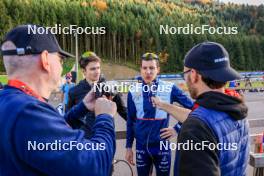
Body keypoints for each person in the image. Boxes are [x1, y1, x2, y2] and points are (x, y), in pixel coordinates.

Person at [0, 24, 117, 175]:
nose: (63, 68)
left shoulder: (10, 101)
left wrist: (82, 108)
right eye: (60, 59)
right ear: (45, 60)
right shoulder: (28, 112)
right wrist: (105, 117)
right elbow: (94, 165)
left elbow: (49, 131)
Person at [152, 42, 249, 176]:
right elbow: (202, 117)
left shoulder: (196, 128)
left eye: (184, 74)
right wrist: (163, 105)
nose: (185, 79)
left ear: (193, 74)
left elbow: (199, 121)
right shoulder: (238, 110)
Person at [125, 52, 193, 176]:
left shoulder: (169, 88)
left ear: (158, 70)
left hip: (162, 147)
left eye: (152, 68)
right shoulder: (133, 91)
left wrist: (177, 128)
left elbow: (194, 109)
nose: (148, 72)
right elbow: (130, 120)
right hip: (141, 148)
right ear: (140, 69)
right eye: (145, 68)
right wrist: (128, 147)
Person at [67, 51, 127, 138]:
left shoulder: (109, 87)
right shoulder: (74, 91)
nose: (97, 71)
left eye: (98, 68)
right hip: (84, 142)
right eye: (92, 69)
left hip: (105, 139)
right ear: (84, 71)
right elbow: (69, 118)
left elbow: (124, 111)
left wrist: (139, 125)